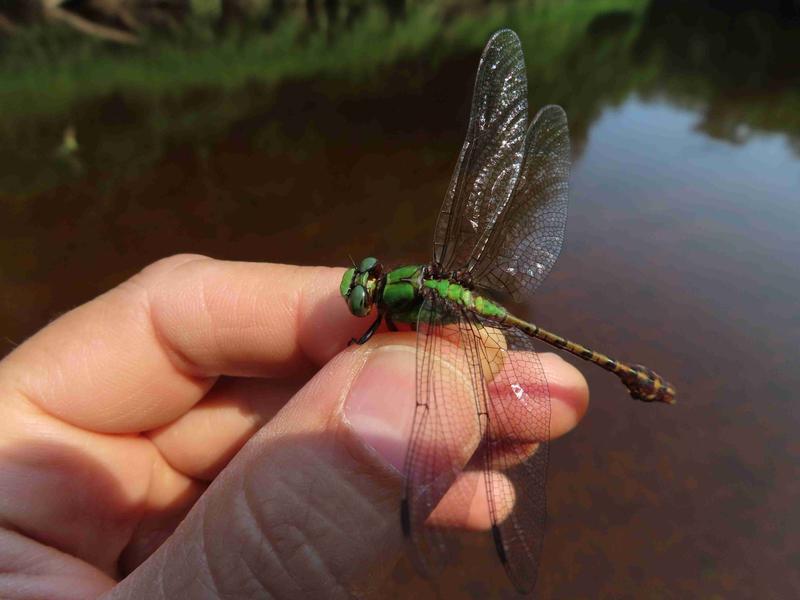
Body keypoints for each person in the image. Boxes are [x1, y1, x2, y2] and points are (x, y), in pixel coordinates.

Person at [0, 255, 588, 598]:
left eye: (369, 287)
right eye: (367, 284)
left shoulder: (388, 314)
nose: (364, 289)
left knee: (394, 427)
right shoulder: (401, 302)